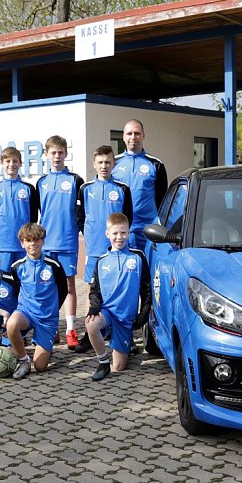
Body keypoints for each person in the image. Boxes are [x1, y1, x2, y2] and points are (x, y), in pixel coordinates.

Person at [75, 145, 133, 353]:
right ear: (94, 164)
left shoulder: (122, 189)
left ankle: (120, 331)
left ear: (114, 163)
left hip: (117, 252)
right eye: (100, 162)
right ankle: (88, 332)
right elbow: (80, 218)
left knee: (118, 289)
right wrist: (91, 237)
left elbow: (128, 218)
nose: (104, 166)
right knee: (91, 290)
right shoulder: (85, 188)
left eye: (108, 162)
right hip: (94, 251)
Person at [85, 213, 151, 380]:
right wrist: (94, 307)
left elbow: (147, 289)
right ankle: (103, 361)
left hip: (125, 318)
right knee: (91, 325)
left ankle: (125, 345)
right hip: (107, 313)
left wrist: (143, 314)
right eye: (115, 233)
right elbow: (95, 291)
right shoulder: (101, 261)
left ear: (129, 233)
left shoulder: (138, 257)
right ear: (107, 234)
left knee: (120, 367)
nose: (119, 237)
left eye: (123, 233)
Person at [35, 135, 85, 350]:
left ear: (66, 154)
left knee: (69, 286)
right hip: (46, 244)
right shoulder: (41, 182)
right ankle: (51, 328)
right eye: (52, 152)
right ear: (46, 155)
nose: (57, 156)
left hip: (67, 242)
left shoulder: (75, 180)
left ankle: (71, 329)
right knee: (48, 287)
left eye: (60, 152)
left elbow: (82, 212)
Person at [7, 223, 67, 379]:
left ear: (43, 241)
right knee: (11, 324)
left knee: (40, 367)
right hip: (26, 312)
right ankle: (23, 359)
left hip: (47, 319)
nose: (33, 243)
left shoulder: (53, 266)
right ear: (22, 243)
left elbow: (63, 290)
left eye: (37, 240)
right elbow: (14, 292)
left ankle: (44, 344)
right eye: (28, 240)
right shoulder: (16, 267)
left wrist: (53, 309)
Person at [111, 119, 167, 251]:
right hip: (120, 230)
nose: (133, 137)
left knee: (147, 269)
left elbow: (162, 199)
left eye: (137, 133)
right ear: (123, 137)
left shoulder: (156, 164)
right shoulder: (114, 164)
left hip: (147, 230)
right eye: (129, 133)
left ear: (143, 136)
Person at [0, 147, 39, 273]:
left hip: (23, 243)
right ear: (2, 163)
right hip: (2, 243)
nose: (12, 164)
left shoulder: (29, 188)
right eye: (8, 161)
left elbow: (33, 217)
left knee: (22, 279)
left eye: (15, 161)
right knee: (4, 278)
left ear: (20, 163)